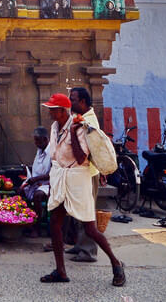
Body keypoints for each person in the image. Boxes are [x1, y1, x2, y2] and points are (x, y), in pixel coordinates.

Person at [41, 92, 125, 287]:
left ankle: (116, 263)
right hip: (61, 177)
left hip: (78, 178)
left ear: (62, 111)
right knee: (55, 223)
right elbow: (55, 155)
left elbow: (81, 158)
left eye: (52, 109)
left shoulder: (80, 127)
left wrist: (72, 132)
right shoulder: (54, 127)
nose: (50, 113)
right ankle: (61, 271)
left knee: (90, 229)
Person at [62, 87, 102, 263]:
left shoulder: (88, 122)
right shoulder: (80, 118)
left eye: (73, 100)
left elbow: (84, 154)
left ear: (83, 102)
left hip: (87, 172)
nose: (70, 103)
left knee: (86, 212)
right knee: (79, 210)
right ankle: (80, 245)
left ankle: (88, 251)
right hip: (80, 172)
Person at [22, 127, 51, 213]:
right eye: (35, 140)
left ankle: (38, 218)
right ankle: (26, 215)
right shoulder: (39, 150)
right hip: (35, 183)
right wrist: (27, 169)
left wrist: (36, 179)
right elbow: (38, 168)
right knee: (20, 190)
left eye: (37, 140)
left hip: (48, 185)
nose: (35, 143)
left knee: (37, 195)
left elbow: (52, 174)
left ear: (45, 139)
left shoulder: (53, 151)